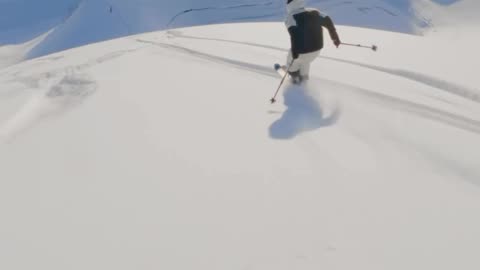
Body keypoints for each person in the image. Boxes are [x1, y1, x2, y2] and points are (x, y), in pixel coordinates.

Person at [285, 0, 341, 84]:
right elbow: (327, 19)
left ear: (289, 4)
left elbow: (294, 34)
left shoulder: (291, 17)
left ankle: (294, 75)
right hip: (317, 50)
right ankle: (304, 76)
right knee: (306, 61)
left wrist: (295, 52)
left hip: (301, 51)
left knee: (293, 59)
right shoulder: (314, 11)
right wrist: (335, 37)